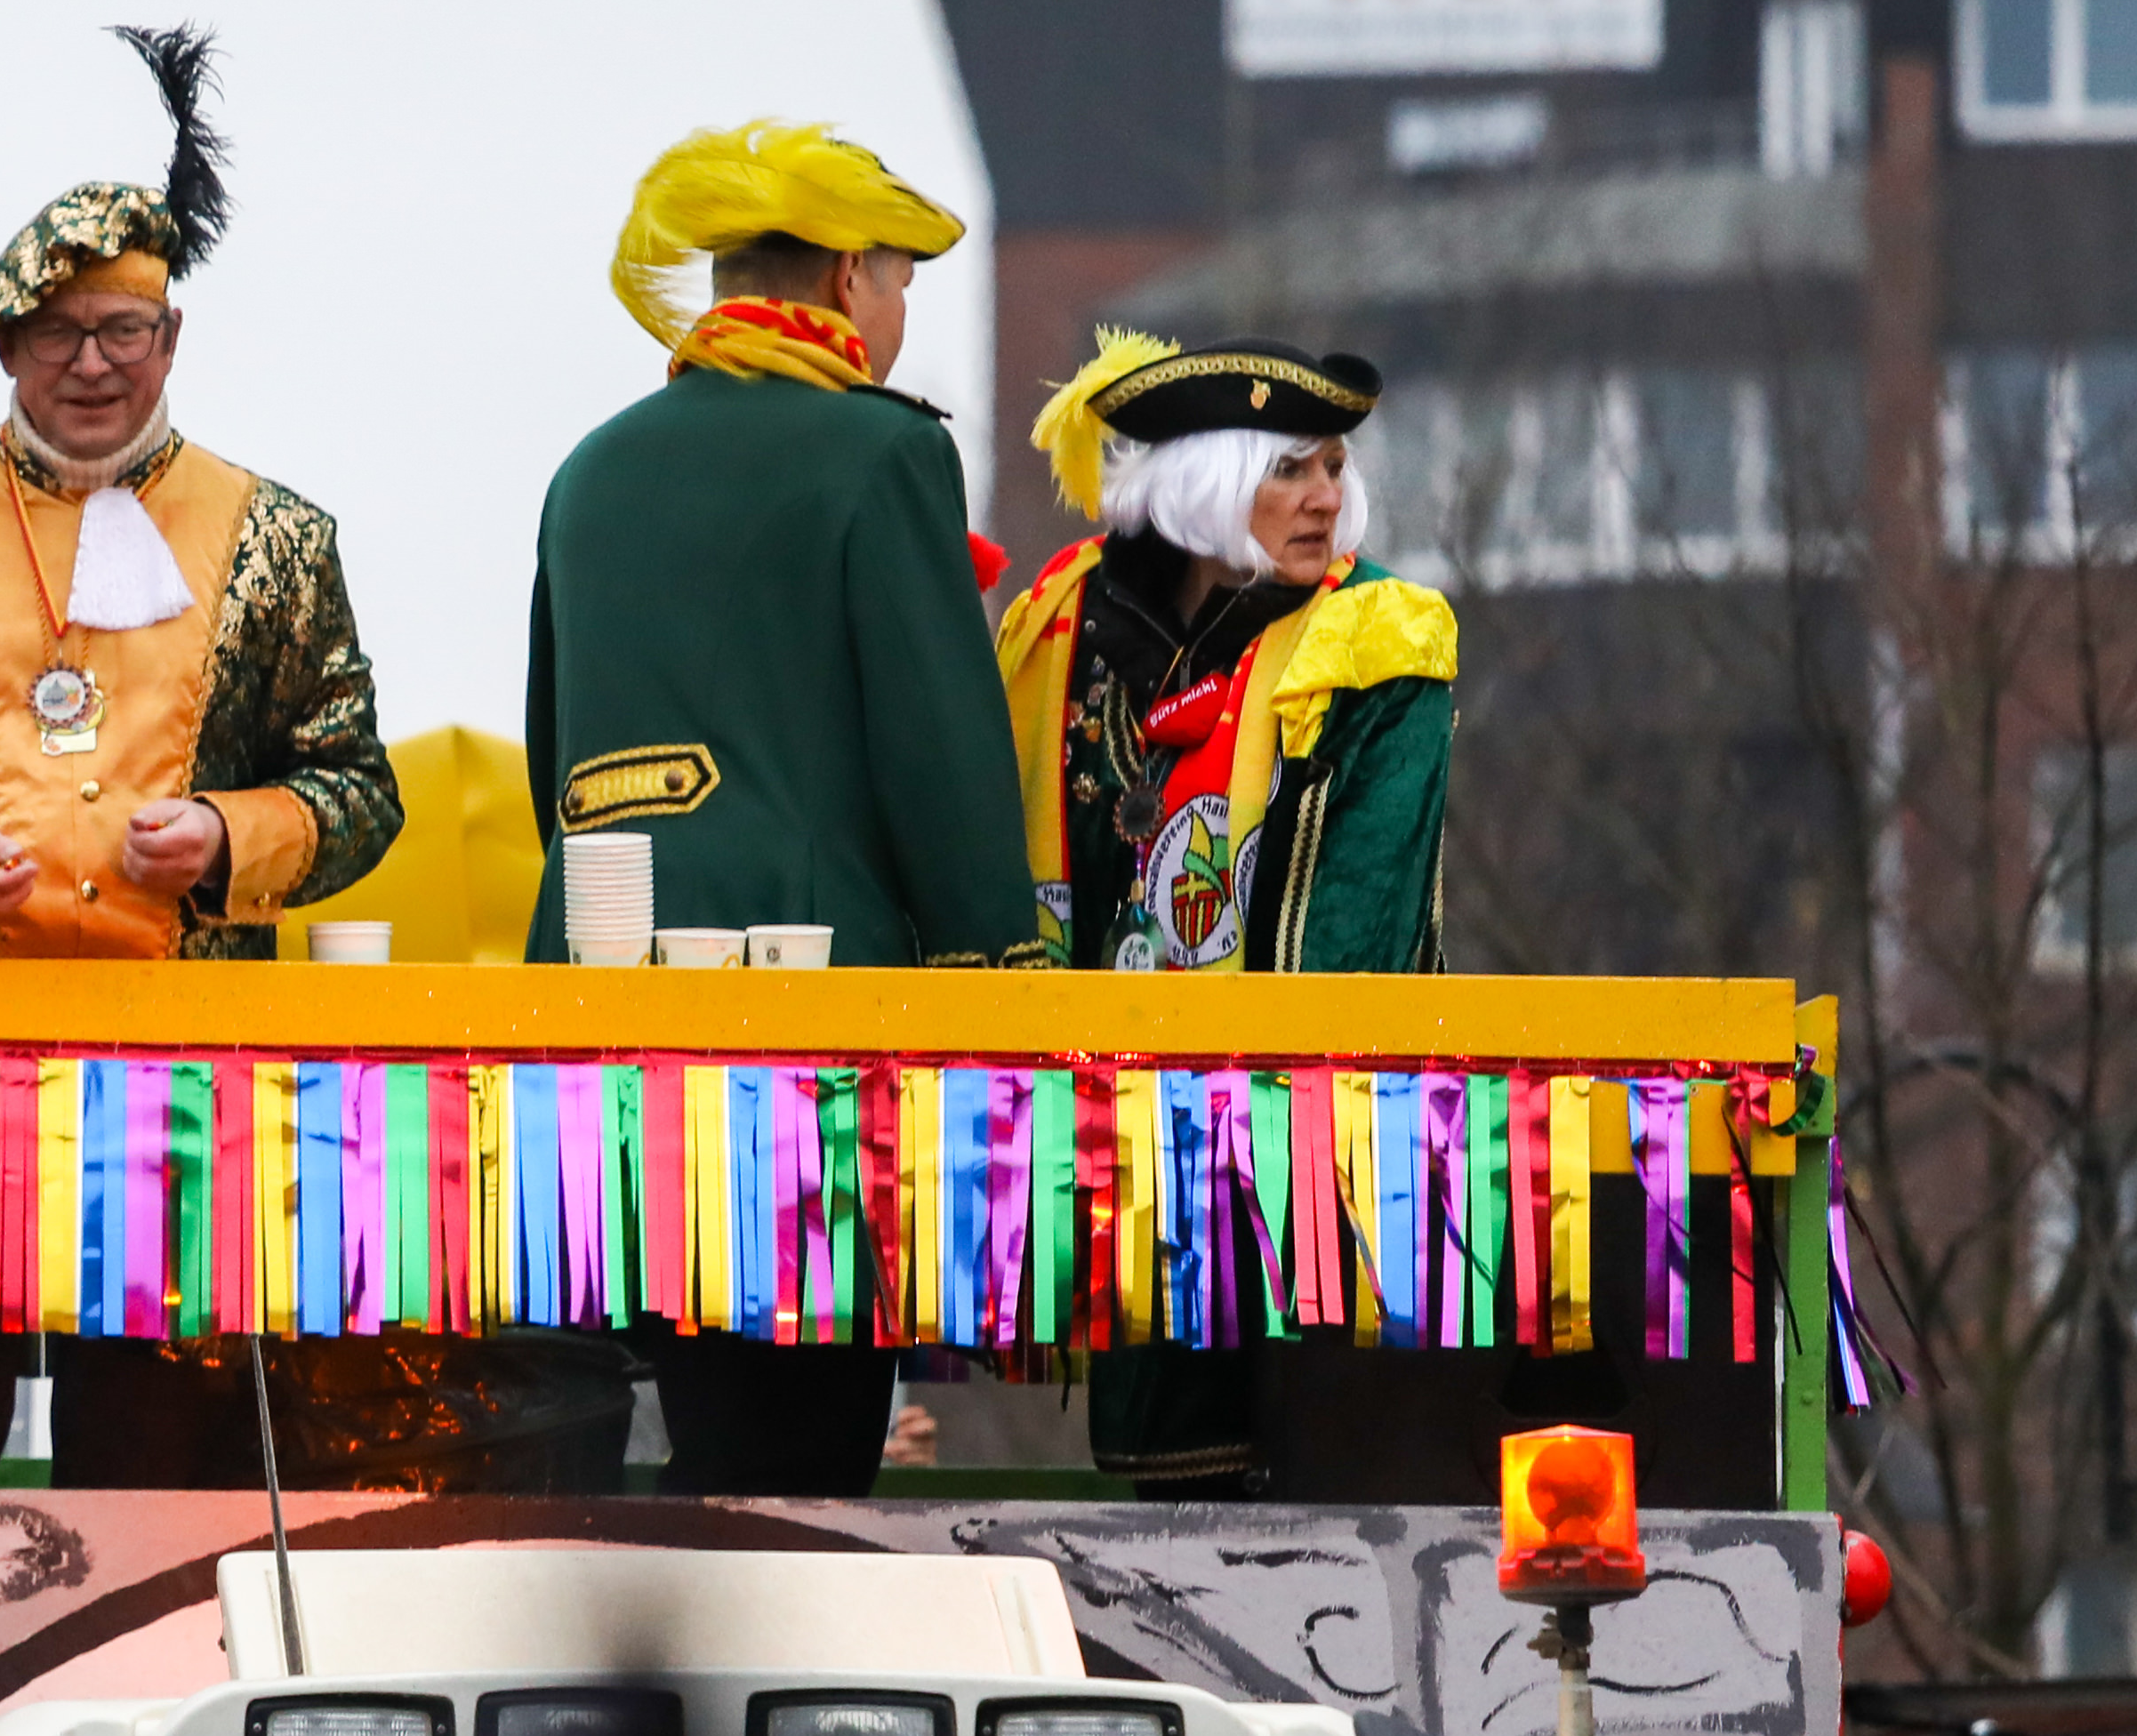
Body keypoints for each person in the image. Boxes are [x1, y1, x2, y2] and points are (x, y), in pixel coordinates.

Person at [0, 28, 402, 1484]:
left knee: (158, 1477)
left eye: (123, 328)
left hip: (181, 1090)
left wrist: (229, 838)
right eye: (56, 332)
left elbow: (360, 789)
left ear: (172, 339)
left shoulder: (280, 537)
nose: (92, 362)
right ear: (5, 345)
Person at [532, 118, 1047, 1499]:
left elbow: (550, 756)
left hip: (598, 1005)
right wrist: (1000, 968)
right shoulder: (880, 451)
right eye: (898, 283)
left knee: (693, 1406)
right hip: (811, 1023)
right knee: (807, 1453)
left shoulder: (591, 466)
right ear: (840, 279)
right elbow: (941, 749)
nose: (898, 316)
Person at [1000, 331, 1454, 1491]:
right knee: (1165, 1500)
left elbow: (1349, 950)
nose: (1324, 499)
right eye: (1287, 469)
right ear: (1199, 485)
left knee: (1311, 1495)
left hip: (1299, 1177)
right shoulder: (1063, 632)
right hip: (1105, 1160)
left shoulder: (1373, 641)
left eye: (1333, 467)